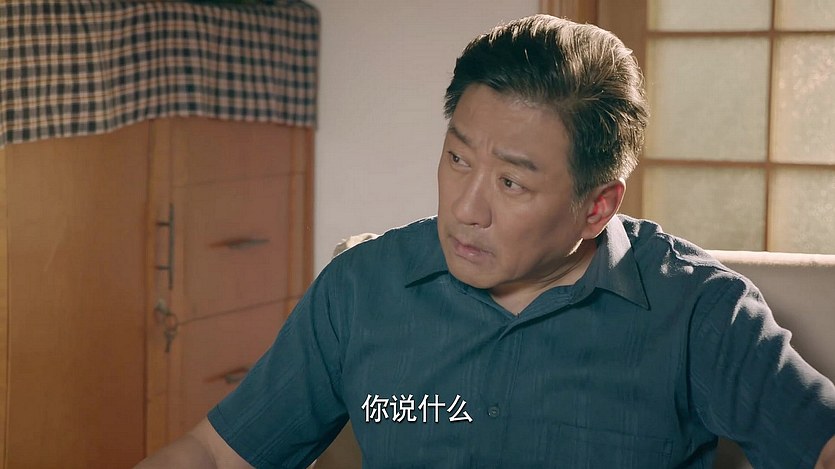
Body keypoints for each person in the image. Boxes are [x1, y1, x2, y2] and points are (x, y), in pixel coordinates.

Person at [136, 14, 835, 468]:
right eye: (457, 159)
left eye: (511, 183)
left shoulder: (700, 311)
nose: (464, 209)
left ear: (597, 206)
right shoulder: (360, 289)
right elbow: (215, 453)